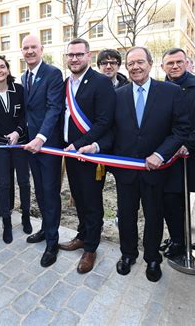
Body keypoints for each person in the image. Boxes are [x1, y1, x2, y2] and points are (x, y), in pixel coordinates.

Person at [80, 46, 189, 282]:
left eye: (140, 62)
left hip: (156, 170)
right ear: (126, 68)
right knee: (126, 215)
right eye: (131, 64)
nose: (136, 67)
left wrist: (160, 154)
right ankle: (127, 254)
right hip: (126, 172)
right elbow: (110, 133)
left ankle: (152, 258)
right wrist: (96, 147)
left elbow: (180, 130)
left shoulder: (170, 92)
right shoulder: (117, 96)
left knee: (153, 215)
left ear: (150, 64)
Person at [59, 39, 116, 273]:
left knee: (92, 201)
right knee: (79, 198)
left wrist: (79, 143)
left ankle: (91, 247)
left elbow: (105, 122)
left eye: (79, 54)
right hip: (71, 153)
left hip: (90, 153)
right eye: (70, 55)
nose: (74, 59)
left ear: (88, 56)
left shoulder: (101, 82)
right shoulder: (66, 84)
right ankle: (82, 235)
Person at [21, 35, 64, 267]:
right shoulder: (24, 76)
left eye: (33, 47)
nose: (29, 51)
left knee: (50, 192)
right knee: (40, 190)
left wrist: (41, 138)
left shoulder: (53, 74)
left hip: (47, 145)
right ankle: (46, 230)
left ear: (42, 49)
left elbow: (54, 108)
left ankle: (52, 242)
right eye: (26, 48)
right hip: (31, 146)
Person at [0, 54, 31, 243]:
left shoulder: (19, 90)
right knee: (2, 184)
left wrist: (18, 132)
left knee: (24, 182)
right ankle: (7, 223)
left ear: (8, 70)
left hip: (19, 142)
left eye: (2, 66)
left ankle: (26, 216)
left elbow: (25, 115)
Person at [160, 48, 195, 258]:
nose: (174, 66)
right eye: (170, 63)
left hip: (193, 158)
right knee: (170, 202)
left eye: (179, 62)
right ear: (162, 66)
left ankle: (194, 246)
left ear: (186, 63)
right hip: (168, 159)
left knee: (194, 204)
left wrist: (188, 144)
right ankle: (177, 240)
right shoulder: (159, 89)